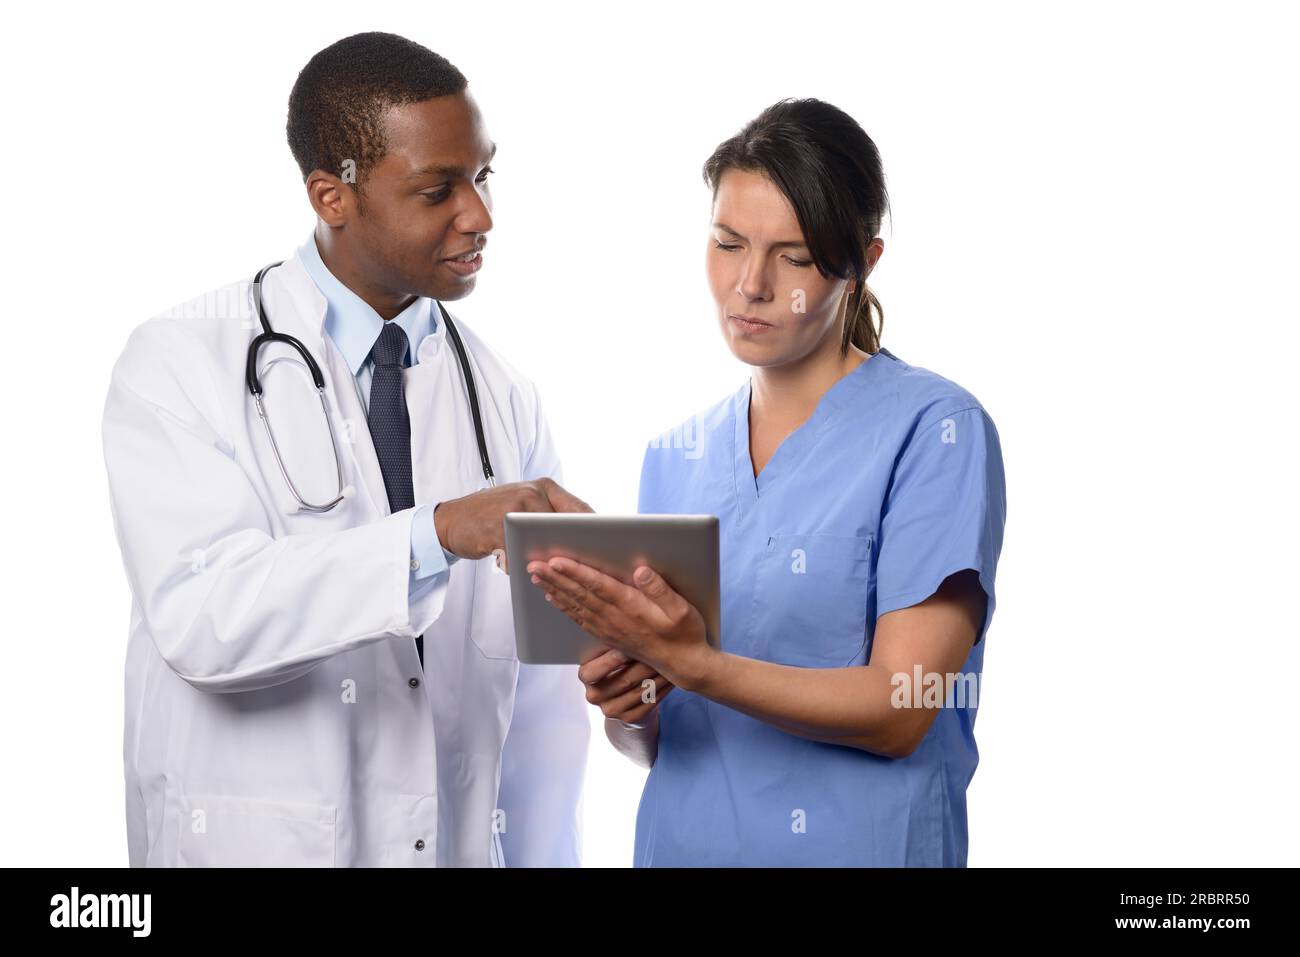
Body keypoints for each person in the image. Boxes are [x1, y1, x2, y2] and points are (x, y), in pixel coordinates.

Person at [102, 32, 597, 867]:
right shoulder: (183, 361)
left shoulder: (502, 395)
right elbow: (202, 615)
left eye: (483, 176)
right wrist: (431, 533)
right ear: (333, 195)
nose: (479, 215)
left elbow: (543, 713)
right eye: (439, 188)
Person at [528, 98, 1008, 866]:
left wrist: (695, 663)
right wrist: (633, 703)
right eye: (727, 242)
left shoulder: (935, 432)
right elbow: (660, 740)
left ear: (864, 261)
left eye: (792, 255)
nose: (749, 284)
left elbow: (900, 708)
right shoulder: (674, 455)